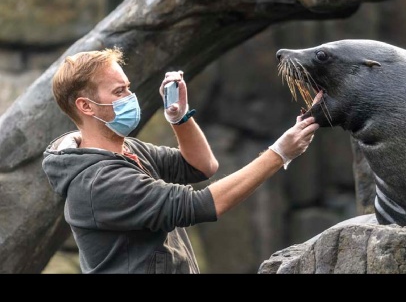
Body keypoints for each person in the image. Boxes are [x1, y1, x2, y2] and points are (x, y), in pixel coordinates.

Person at [42, 47, 319, 274]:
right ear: (86, 106)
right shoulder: (99, 182)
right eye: (118, 92)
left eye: (128, 87)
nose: (131, 96)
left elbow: (201, 167)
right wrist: (279, 153)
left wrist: (180, 118)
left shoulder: (127, 149)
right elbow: (200, 205)